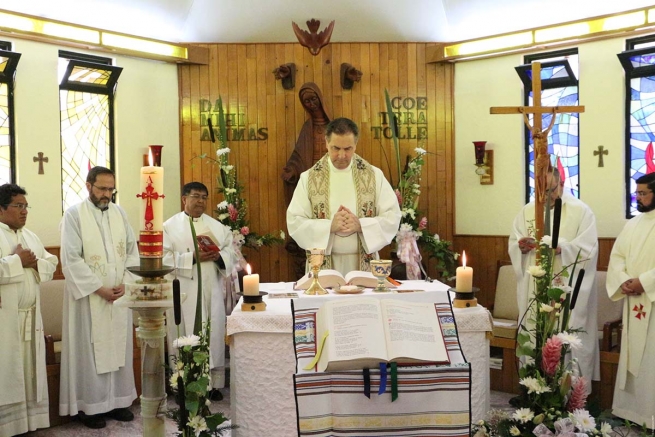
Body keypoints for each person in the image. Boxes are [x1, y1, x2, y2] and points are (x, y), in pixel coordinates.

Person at [59, 166, 140, 429]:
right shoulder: (74, 215)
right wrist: (98, 288)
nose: (107, 194)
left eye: (110, 189)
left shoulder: (119, 213)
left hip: (117, 296)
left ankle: (118, 401)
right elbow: (71, 258)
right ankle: (90, 407)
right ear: (88, 186)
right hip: (90, 299)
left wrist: (125, 283)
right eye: (102, 188)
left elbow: (131, 251)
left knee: (118, 348)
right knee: (90, 351)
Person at [508, 169, 599, 388]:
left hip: (566, 287)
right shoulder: (527, 211)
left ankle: (567, 394)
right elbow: (514, 241)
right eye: (540, 191)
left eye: (550, 190)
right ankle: (533, 388)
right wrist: (520, 246)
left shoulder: (581, 211)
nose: (545, 196)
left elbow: (589, 249)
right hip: (535, 286)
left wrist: (562, 249)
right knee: (533, 333)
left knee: (566, 334)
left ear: (561, 183)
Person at [287, 117, 401, 275]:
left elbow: (392, 216)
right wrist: (329, 227)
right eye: (336, 148)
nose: (341, 155)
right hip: (323, 266)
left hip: (364, 266)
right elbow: (295, 221)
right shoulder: (309, 178)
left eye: (347, 149)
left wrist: (361, 225)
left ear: (356, 145)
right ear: (326, 143)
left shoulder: (373, 175)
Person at [163, 182, 236, 400]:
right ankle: (182, 385)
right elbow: (163, 260)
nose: (201, 201)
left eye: (204, 197)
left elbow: (231, 254)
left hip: (210, 291)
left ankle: (212, 385)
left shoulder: (217, 227)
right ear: (184, 198)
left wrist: (219, 257)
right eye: (196, 196)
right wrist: (192, 258)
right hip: (182, 293)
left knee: (211, 333)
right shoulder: (169, 227)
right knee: (183, 335)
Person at [0, 184, 58, 436]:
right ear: (1, 208)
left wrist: (33, 263)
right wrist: (16, 261)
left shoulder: (30, 236)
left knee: (28, 374)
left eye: (26, 206)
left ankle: (27, 425)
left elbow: (51, 263)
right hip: (5, 320)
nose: (24, 211)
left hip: (30, 317)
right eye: (18, 206)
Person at [607, 172, 655, 425]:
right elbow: (617, 257)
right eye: (637, 192)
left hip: (653, 301)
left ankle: (650, 415)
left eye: (643, 193)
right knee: (633, 355)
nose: (638, 197)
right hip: (634, 301)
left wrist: (644, 282)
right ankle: (630, 412)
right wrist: (624, 280)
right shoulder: (633, 224)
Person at [282, 83, 332, 278]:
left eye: (313, 99)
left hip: (332, 182)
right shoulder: (307, 127)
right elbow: (299, 156)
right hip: (311, 185)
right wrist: (292, 171)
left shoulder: (333, 126)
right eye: (306, 102)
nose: (311, 104)